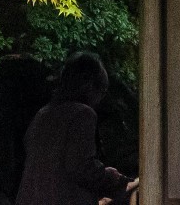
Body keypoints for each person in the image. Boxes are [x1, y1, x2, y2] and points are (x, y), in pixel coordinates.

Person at [15, 52, 138, 205]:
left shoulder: (43, 114)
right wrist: (112, 178)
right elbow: (81, 168)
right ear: (90, 86)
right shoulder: (82, 114)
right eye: (102, 92)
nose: (99, 100)